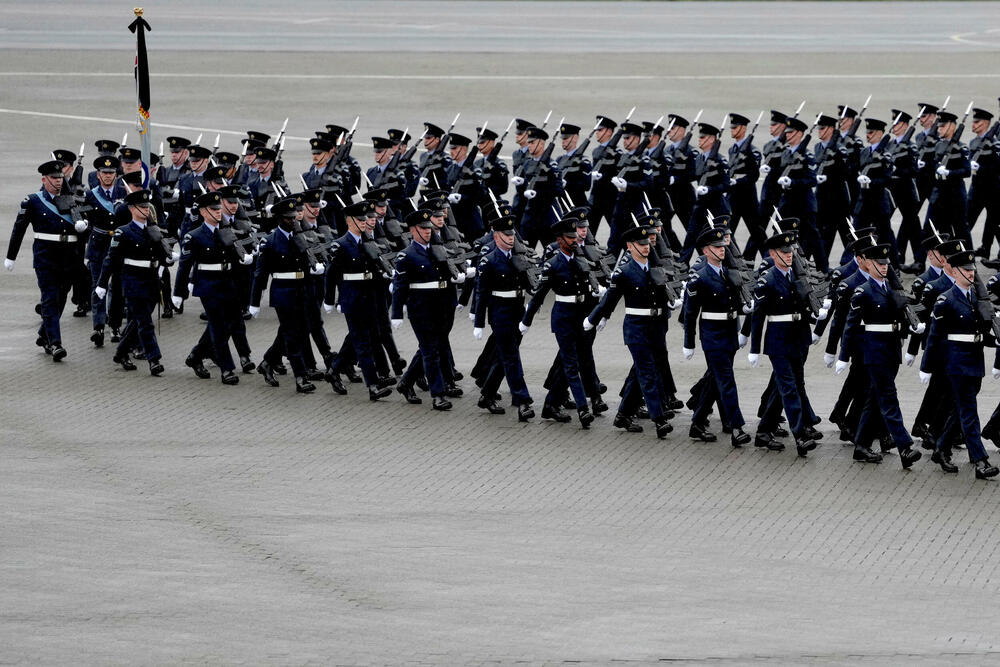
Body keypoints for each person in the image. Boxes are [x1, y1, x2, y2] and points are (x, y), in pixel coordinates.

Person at [836, 243, 923, 467]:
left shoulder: (890, 289)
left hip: (892, 351)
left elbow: (899, 316)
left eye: (886, 264)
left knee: (874, 400)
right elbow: (850, 326)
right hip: (874, 353)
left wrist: (911, 328)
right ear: (869, 264)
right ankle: (905, 447)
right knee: (888, 398)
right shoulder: (863, 291)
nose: (884, 268)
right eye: (879, 264)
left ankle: (862, 446)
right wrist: (843, 356)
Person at [586, 223, 673, 439]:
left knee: (639, 373)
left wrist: (671, 302)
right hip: (636, 329)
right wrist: (594, 318)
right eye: (640, 244)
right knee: (647, 374)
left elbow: (663, 291)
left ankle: (623, 415)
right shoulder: (624, 272)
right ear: (630, 246)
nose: (646, 247)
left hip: (656, 328)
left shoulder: (654, 265)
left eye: (646, 244)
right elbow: (610, 300)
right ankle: (659, 419)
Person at [920, 249, 999, 479]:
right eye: (966, 270)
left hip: (975, 360)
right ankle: (981, 461)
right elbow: (934, 337)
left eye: (973, 270)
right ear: (954, 272)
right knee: (969, 411)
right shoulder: (946, 300)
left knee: (960, 409)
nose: (971, 274)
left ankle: (942, 448)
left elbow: (984, 330)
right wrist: (926, 367)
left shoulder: (977, 297)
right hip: (956, 363)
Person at [6, 159, 89, 361]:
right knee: (50, 300)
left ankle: (44, 335)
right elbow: (19, 229)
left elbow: (83, 234)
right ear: (44, 179)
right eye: (54, 178)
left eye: (60, 177)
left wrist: (84, 229)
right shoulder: (33, 201)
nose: (58, 181)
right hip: (46, 259)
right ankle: (55, 344)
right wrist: (11, 256)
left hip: (69, 258)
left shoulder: (73, 200)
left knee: (60, 300)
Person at [748, 230, 820, 457]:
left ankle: (763, 431)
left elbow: (806, 306)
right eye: (784, 252)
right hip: (778, 341)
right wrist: (754, 348)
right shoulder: (767, 279)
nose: (789, 256)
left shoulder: (797, 277)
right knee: (789, 389)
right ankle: (800, 435)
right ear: (772, 253)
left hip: (798, 338)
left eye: (791, 252)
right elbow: (758, 316)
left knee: (792, 385)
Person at [172, 191, 254, 385]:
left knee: (232, 323)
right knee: (217, 327)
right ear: (203, 212)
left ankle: (195, 355)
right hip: (208, 285)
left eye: (219, 209)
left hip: (228, 282)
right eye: (214, 210)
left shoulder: (227, 231)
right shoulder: (194, 236)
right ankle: (227, 369)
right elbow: (184, 265)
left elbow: (234, 257)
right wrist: (178, 293)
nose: (219, 213)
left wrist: (246, 257)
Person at [681, 224, 751, 447]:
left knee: (714, 379)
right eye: (716, 247)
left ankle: (697, 422)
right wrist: (688, 343)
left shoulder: (728, 273)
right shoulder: (699, 278)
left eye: (723, 247)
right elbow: (690, 313)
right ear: (705, 250)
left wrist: (745, 310)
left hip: (729, 333)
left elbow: (734, 302)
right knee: (726, 380)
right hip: (712, 335)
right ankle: (737, 427)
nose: (722, 250)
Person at [324, 200, 394, 401]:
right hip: (352, 299)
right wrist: (330, 300)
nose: (364, 223)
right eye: (360, 219)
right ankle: (373, 386)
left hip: (370, 298)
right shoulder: (341, 244)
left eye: (366, 219)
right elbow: (331, 274)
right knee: (362, 342)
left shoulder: (368, 242)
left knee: (361, 338)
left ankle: (333, 370)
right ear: (349, 221)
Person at [391, 209, 459, 411]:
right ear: (413, 230)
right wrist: (396, 314)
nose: (428, 231)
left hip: (440, 307)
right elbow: (399, 286)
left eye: (429, 228)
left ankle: (405, 383)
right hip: (421, 309)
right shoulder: (407, 255)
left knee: (432, 347)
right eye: (423, 228)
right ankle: (437, 395)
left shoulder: (437, 249)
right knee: (430, 351)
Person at [95, 189, 168, 376]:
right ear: (132, 209)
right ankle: (154, 359)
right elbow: (110, 260)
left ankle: (120, 352)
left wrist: (168, 258)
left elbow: (160, 254)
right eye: (142, 207)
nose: (146, 210)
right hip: (133, 280)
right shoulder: (123, 232)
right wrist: (102, 284)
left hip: (152, 279)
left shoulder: (153, 230)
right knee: (145, 322)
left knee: (137, 321)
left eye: (147, 206)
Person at [249, 196, 317, 394]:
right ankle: (301, 376)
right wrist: (254, 302)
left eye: (294, 217)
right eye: (288, 218)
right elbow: (260, 274)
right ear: (279, 219)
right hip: (283, 293)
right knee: (292, 335)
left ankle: (268, 362)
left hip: (301, 291)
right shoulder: (269, 242)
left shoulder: (299, 236)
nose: (292, 221)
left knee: (296, 331)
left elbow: (306, 260)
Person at [472, 212, 535, 421]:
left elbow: (529, 282)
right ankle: (523, 401)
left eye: (512, 235)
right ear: (496, 235)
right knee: (511, 358)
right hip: (500, 313)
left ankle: (487, 394)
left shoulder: (519, 255)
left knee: (504, 356)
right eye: (506, 235)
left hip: (518, 310)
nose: (511, 238)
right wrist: (478, 323)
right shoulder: (488, 260)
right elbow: (481, 293)